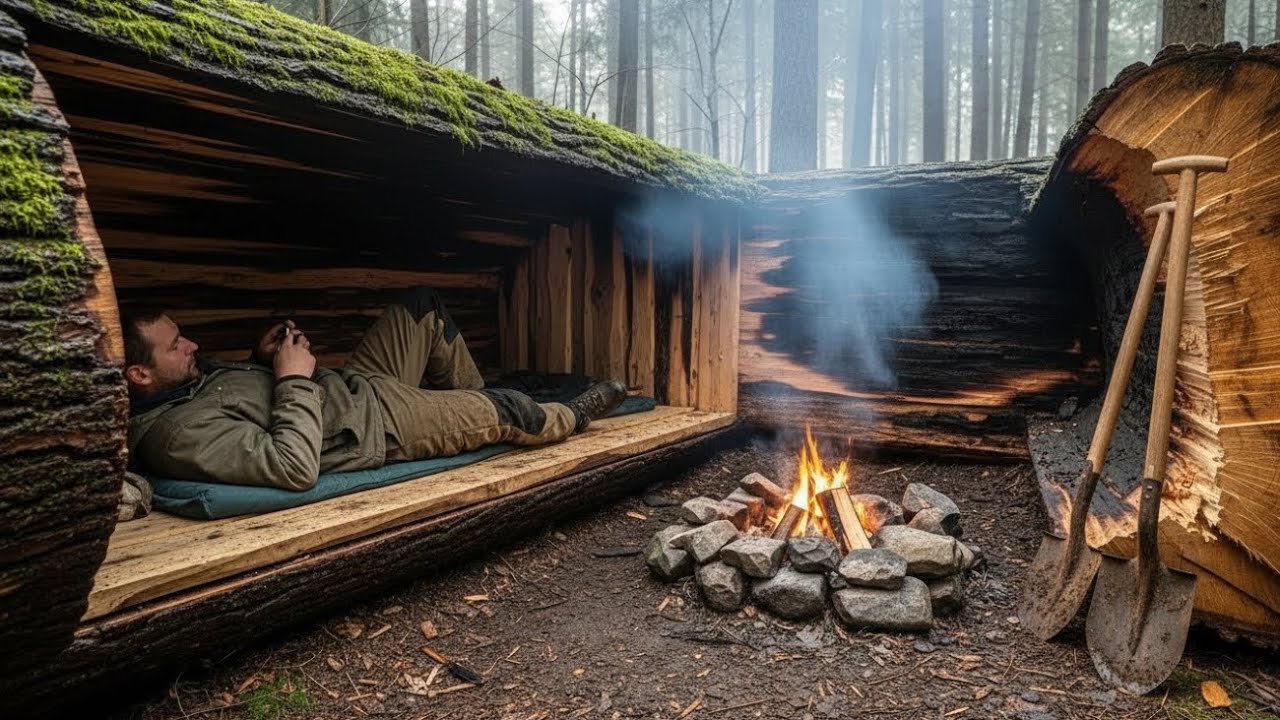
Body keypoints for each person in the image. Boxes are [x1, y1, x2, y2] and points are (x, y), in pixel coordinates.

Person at [124, 287, 626, 491]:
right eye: (175, 345)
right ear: (139, 375)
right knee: (511, 407)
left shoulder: (186, 379)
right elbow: (292, 466)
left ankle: (474, 407)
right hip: (376, 425)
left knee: (422, 307)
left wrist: (263, 357)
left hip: (356, 382)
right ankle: (571, 416)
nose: (191, 345)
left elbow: (244, 398)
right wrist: (292, 378)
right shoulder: (175, 437)